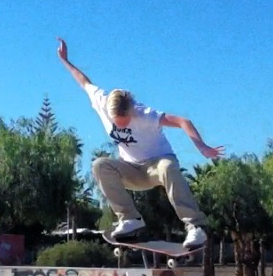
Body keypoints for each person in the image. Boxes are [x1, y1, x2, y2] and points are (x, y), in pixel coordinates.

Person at [56, 38, 224, 249]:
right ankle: (130, 219)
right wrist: (65, 60)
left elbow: (183, 121)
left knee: (168, 167)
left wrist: (202, 146)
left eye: (125, 120)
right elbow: (84, 82)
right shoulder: (102, 101)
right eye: (116, 121)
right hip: (131, 169)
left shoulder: (145, 114)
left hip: (156, 165)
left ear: (132, 110)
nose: (120, 124)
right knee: (100, 165)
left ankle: (195, 226)